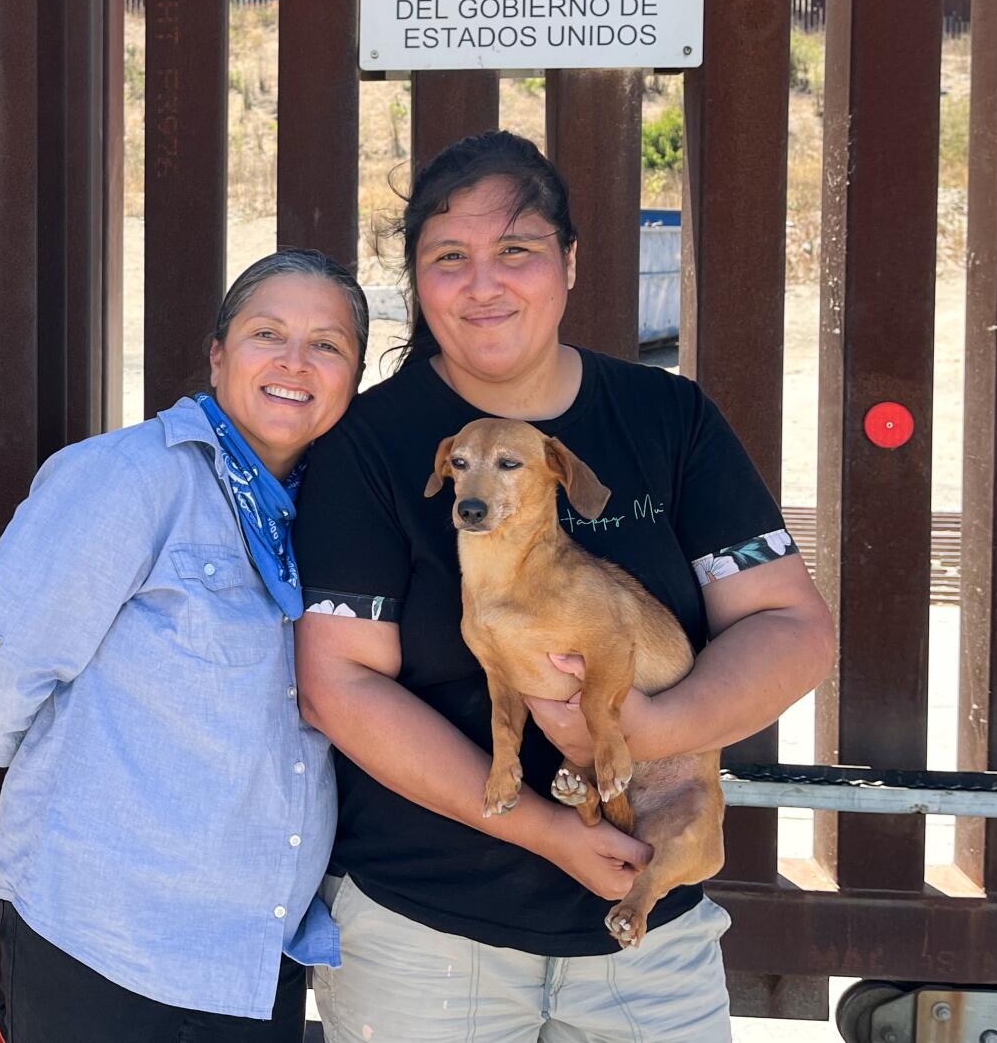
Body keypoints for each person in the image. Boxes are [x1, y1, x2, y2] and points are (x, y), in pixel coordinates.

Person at [293, 130, 834, 1042]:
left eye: (517, 252)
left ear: (570, 264)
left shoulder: (667, 417)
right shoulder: (370, 446)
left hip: (649, 947)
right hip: (428, 942)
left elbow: (791, 625)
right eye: (448, 258)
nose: (483, 284)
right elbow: (338, 682)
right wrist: (548, 831)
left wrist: (651, 728)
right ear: (419, 281)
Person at [0, 249, 371, 1041]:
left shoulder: (337, 511)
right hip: (110, 931)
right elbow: (2, 667)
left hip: (257, 942)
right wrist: (81, 792)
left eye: (327, 344)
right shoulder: (132, 477)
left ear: (352, 376)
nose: (294, 361)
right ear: (218, 356)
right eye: (266, 333)